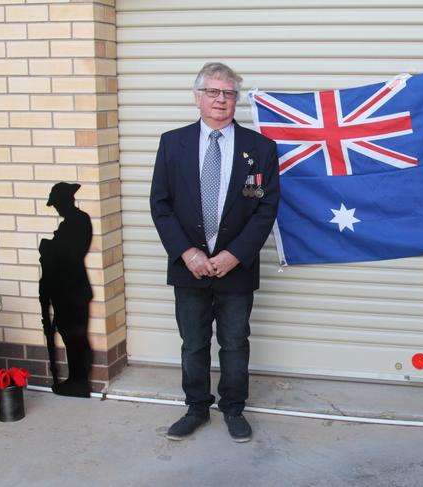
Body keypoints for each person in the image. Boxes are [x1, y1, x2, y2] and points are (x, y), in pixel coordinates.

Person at [150, 62, 279, 442]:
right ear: (197, 97)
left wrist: (234, 255)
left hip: (235, 267)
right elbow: (160, 204)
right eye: (212, 92)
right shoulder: (173, 143)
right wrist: (188, 253)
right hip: (188, 266)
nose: (220, 100)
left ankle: (234, 409)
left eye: (228, 93)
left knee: (235, 342)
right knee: (193, 343)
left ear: (235, 100)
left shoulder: (260, 148)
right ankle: (196, 408)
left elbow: (265, 208)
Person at [39, 182, 94, 398]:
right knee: (72, 337)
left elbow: (69, 255)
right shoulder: (71, 223)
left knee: (75, 337)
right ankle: (76, 379)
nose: (57, 209)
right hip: (66, 291)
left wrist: (49, 248)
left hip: (73, 291)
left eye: (58, 204)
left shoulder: (77, 222)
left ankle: (79, 381)